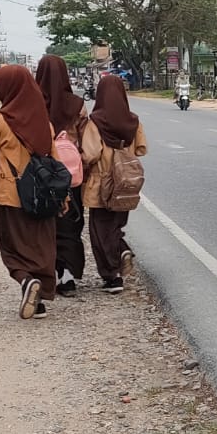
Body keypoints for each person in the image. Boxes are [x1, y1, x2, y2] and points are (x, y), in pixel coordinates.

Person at [0, 64, 58, 319]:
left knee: (11, 246)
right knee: (40, 245)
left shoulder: (3, 121)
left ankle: (26, 281)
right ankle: (40, 299)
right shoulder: (44, 121)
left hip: (13, 195)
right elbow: (54, 159)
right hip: (44, 196)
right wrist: (63, 195)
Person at [35, 54, 94, 298]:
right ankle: (69, 273)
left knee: (46, 223)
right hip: (71, 174)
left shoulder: (33, 103)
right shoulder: (77, 104)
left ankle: (53, 272)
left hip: (42, 172)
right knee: (72, 221)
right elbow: (87, 142)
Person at [83, 74, 146, 294]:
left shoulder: (96, 122)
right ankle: (121, 251)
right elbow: (141, 149)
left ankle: (112, 277)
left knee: (100, 231)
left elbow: (90, 154)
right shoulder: (133, 120)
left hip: (101, 184)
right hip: (125, 185)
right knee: (116, 226)